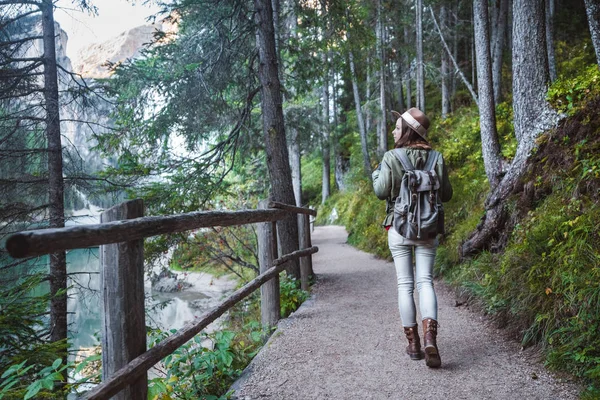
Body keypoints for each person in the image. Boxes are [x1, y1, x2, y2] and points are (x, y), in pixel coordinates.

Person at [372, 107, 452, 368]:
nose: (393, 131)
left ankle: (414, 344)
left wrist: (376, 173)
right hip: (428, 229)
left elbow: (381, 191)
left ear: (407, 131)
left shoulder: (391, 157)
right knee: (426, 281)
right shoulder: (437, 157)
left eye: (397, 127)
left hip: (398, 228)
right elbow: (447, 194)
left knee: (405, 285)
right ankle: (431, 338)